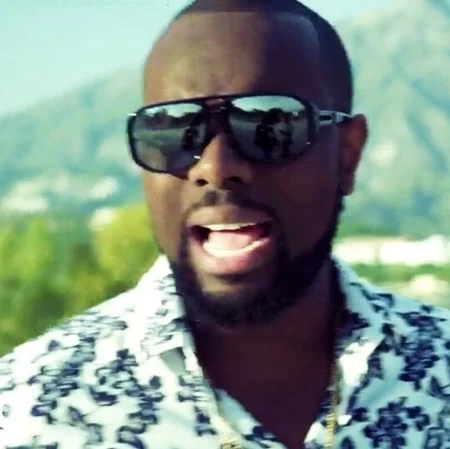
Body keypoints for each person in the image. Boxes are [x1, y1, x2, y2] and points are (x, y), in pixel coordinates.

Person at [1, 0, 449, 448]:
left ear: (347, 155)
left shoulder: (439, 363)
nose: (215, 168)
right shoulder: (29, 411)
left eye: (270, 124)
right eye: (174, 130)